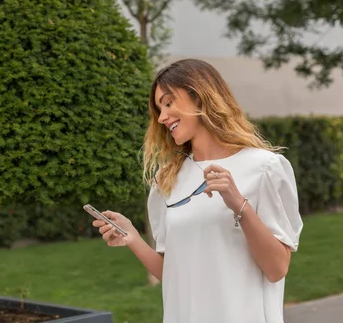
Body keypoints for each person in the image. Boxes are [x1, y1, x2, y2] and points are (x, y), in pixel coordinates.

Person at [93, 59, 303, 323]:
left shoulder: (264, 168)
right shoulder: (166, 180)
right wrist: (133, 238)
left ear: (200, 98)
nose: (162, 117)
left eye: (169, 103)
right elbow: (174, 275)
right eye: (159, 108)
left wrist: (239, 203)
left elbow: (276, 269)